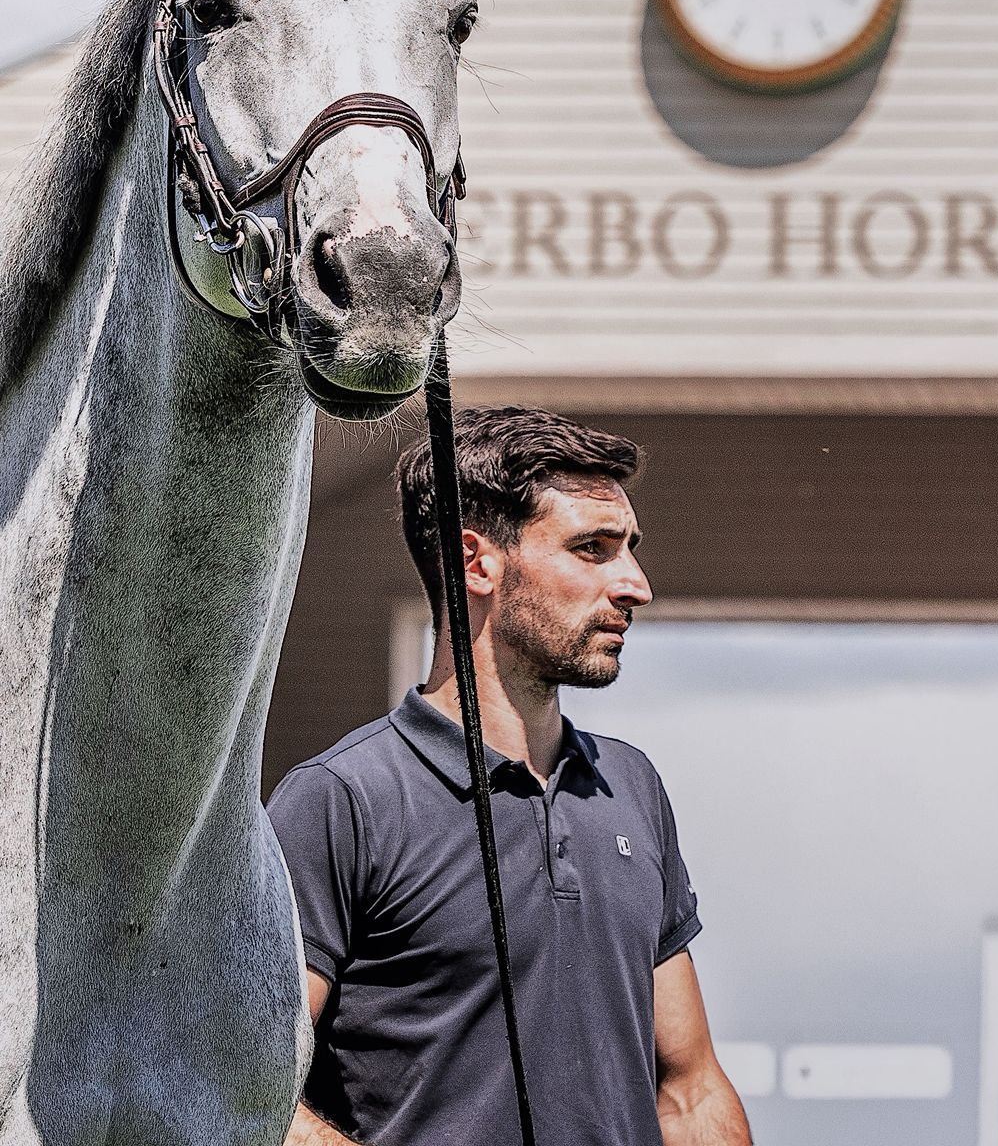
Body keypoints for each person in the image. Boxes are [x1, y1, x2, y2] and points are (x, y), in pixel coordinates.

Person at [267, 406, 751, 1146]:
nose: (635, 585)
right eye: (593, 549)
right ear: (476, 562)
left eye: (630, 549)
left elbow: (690, 1091)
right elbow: (249, 1091)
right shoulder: (342, 800)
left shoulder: (629, 785)